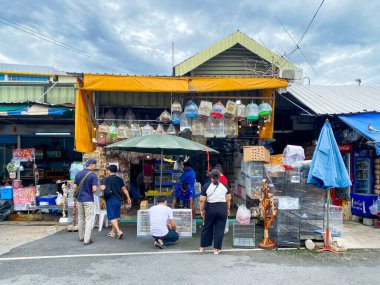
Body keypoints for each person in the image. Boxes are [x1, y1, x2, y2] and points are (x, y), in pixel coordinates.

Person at [199, 168, 231, 255]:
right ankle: (216, 249)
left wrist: (201, 210)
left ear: (211, 177)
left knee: (207, 227)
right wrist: (228, 209)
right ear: (220, 176)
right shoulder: (225, 186)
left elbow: (202, 200)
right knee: (219, 229)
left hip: (210, 208)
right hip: (222, 208)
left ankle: (202, 247)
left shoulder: (206, 186)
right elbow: (228, 199)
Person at [101, 165, 132, 239]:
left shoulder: (106, 179)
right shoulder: (119, 179)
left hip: (110, 200)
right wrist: (128, 198)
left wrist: (102, 188)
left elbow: (103, 188)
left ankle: (118, 231)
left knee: (112, 217)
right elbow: (124, 189)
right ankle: (112, 232)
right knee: (116, 216)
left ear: (109, 171)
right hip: (118, 200)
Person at [73, 159, 98, 245]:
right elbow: (94, 189)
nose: (95, 166)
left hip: (80, 199)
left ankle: (81, 237)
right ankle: (86, 240)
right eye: (95, 165)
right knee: (88, 219)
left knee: (80, 218)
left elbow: (75, 186)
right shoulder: (93, 175)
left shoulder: (78, 174)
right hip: (88, 200)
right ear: (91, 165)